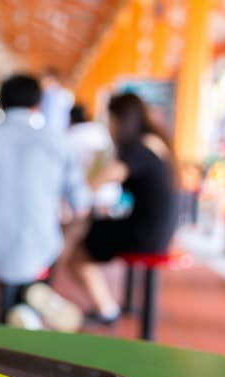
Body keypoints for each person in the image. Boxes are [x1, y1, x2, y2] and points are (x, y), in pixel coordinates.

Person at [0, 74, 90, 330]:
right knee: (54, 238)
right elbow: (81, 204)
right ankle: (31, 302)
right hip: (43, 249)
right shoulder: (59, 141)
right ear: (37, 104)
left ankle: (16, 307)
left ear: (0, 103)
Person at [72, 92, 179, 323]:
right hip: (160, 229)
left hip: (147, 234)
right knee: (93, 228)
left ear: (118, 119)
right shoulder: (155, 142)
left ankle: (106, 310)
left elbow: (106, 177)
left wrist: (81, 190)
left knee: (78, 251)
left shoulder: (140, 148)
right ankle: (106, 308)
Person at [40, 68, 74, 133]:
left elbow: (68, 114)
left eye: (45, 78)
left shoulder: (65, 94)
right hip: (46, 129)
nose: (43, 81)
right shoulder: (43, 94)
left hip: (59, 129)